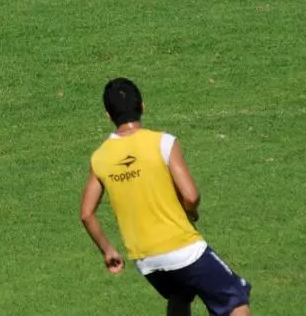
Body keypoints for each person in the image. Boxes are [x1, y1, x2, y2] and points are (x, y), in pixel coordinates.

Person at [80, 78, 252, 315]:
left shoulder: (100, 157)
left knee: (179, 296)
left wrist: (108, 251)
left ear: (108, 115)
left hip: (147, 261)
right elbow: (190, 196)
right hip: (183, 249)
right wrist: (190, 211)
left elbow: (87, 214)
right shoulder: (162, 142)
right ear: (143, 106)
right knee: (235, 300)